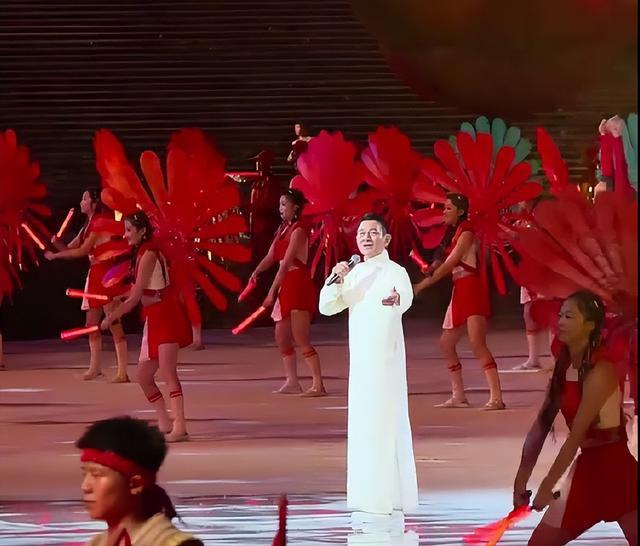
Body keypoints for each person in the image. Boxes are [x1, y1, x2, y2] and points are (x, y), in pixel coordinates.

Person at [512, 291, 637, 546]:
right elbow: (541, 426)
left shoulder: (602, 370)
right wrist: (521, 480)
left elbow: (576, 436)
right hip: (586, 472)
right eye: (560, 315)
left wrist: (547, 486)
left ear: (589, 325)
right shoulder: (563, 368)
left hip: (618, 472)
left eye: (569, 316)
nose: (560, 322)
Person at [319, 213, 418, 516]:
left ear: (386, 239)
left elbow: (405, 299)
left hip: (386, 360)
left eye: (373, 232)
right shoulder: (353, 273)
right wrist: (335, 279)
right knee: (364, 426)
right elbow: (326, 307)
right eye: (361, 232)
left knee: (386, 423)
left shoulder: (395, 271)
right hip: (361, 363)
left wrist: (395, 300)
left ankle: (391, 496)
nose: (366, 237)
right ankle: (366, 496)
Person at [101, 211, 193, 442]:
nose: (125, 234)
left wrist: (112, 317)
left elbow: (136, 296)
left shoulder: (150, 253)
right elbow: (139, 293)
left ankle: (180, 426)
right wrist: (123, 298)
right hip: (154, 317)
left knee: (168, 372)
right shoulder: (142, 252)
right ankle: (164, 422)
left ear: (142, 231)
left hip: (166, 315)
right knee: (143, 376)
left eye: (129, 230)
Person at [413, 193, 505, 410]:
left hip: (471, 289)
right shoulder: (454, 234)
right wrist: (431, 268)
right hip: (460, 290)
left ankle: (496, 398)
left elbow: (449, 264)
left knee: (477, 343)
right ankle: (458, 396)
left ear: (461, 211)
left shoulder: (467, 233)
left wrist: (422, 285)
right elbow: (443, 262)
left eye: (448, 208)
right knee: (446, 344)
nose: (444, 212)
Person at [77, 416, 203, 546]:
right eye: (85, 474)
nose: (85, 486)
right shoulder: (95, 543)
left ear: (136, 484)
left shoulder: (177, 544)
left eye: (96, 474)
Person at [45, 189, 129, 382]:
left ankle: (122, 372)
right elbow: (70, 250)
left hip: (107, 275)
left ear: (94, 203)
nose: (81, 202)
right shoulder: (87, 225)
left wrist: (55, 256)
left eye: (85, 198)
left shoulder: (100, 223)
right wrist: (56, 244)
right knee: (91, 325)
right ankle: (95, 368)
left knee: (114, 323)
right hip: (95, 275)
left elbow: (82, 251)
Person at [250, 188, 326, 396]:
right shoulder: (283, 229)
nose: (280, 208)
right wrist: (256, 272)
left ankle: (318, 384)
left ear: (296, 207)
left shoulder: (299, 230)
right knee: (281, 337)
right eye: (280, 204)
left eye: (284, 204)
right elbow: (271, 257)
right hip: (286, 284)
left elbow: (285, 265)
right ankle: (292, 381)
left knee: (301, 338)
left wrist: (271, 292)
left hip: (297, 283)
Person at [513, 288, 556, 370]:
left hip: (550, 283)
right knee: (529, 314)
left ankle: (556, 360)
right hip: (530, 283)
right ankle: (533, 360)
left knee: (554, 312)